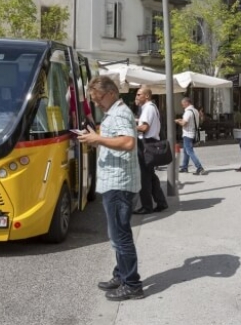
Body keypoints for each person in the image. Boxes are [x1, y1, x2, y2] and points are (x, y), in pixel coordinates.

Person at [76, 76, 145, 302]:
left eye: (98, 100)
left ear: (111, 93)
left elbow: (128, 142)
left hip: (119, 183)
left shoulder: (120, 113)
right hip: (116, 181)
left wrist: (98, 139)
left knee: (120, 236)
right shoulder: (115, 112)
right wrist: (97, 138)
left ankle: (132, 284)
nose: (96, 104)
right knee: (117, 234)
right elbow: (119, 139)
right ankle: (121, 275)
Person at [133, 86, 168, 214]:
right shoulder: (151, 107)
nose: (136, 97)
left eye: (138, 94)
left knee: (144, 178)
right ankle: (161, 202)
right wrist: (136, 120)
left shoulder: (148, 108)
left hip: (145, 144)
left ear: (146, 96)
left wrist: (131, 126)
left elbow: (144, 128)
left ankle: (147, 207)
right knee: (151, 176)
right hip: (150, 143)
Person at [175, 97, 207, 175]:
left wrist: (178, 121)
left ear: (187, 103)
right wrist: (181, 120)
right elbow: (193, 122)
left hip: (188, 134)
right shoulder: (195, 110)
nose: (182, 106)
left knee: (190, 152)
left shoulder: (188, 112)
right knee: (186, 152)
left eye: (183, 104)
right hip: (193, 133)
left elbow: (184, 123)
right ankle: (184, 167)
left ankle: (199, 168)